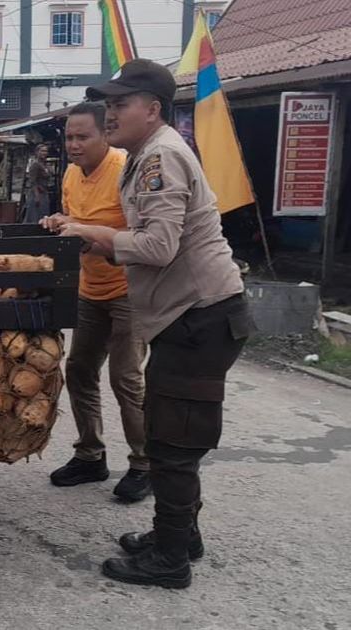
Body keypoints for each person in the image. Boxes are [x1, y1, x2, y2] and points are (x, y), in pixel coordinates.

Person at [57, 59, 255, 589]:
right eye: (110, 103)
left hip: (199, 316)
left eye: (121, 103)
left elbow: (159, 246)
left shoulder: (159, 156)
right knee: (174, 433)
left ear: (153, 108)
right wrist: (99, 240)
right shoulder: (151, 152)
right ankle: (180, 536)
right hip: (193, 315)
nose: (111, 111)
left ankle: (170, 559)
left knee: (170, 443)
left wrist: (91, 232)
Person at [41, 102, 149, 501]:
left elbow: (145, 236)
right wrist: (59, 222)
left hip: (130, 291)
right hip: (90, 288)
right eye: (69, 137)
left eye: (82, 136)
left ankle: (144, 463)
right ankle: (91, 455)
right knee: (81, 370)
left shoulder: (126, 171)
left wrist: (84, 230)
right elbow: (75, 221)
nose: (73, 144)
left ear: (106, 135)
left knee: (126, 379)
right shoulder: (71, 173)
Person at [23, 143, 53, 224]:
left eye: (46, 151)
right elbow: (33, 181)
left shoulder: (45, 165)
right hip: (37, 194)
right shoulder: (35, 165)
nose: (44, 153)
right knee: (34, 216)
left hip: (44, 192)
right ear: (37, 152)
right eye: (42, 151)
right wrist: (37, 196)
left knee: (44, 215)